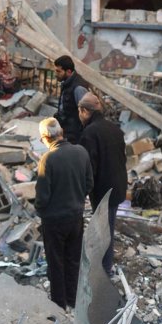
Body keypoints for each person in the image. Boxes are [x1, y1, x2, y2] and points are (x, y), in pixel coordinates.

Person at [36, 118, 92, 311]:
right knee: (73, 259)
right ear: (61, 132)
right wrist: (76, 199)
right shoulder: (81, 152)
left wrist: (41, 212)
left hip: (54, 221)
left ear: (45, 137)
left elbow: (42, 196)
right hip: (76, 217)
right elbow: (89, 184)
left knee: (56, 262)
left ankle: (59, 304)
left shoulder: (48, 159)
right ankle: (73, 299)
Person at [77, 93, 128, 274]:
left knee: (104, 230)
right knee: (104, 227)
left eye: (79, 112)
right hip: (117, 186)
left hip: (103, 190)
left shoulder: (90, 133)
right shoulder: (115, 129)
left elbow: (89, 168)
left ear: (84, 111)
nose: (79, 116)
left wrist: (81, 193)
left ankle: (104, 271)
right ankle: (101, 266)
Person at [53, 55, 89, 145]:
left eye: (58, 71)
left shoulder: (78, 88)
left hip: (74, 135)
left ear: (68, 71)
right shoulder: (67, 83)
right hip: (66, 129)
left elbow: (86, 114)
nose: (56, 74)